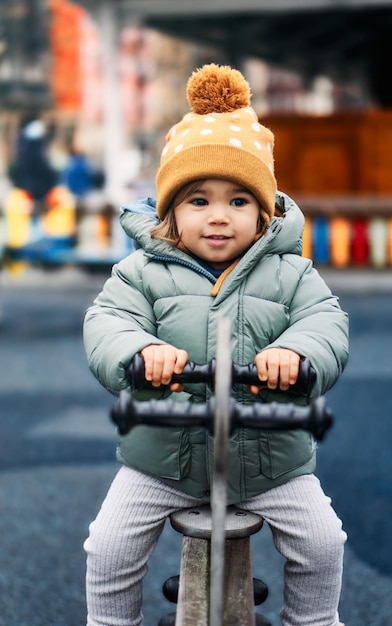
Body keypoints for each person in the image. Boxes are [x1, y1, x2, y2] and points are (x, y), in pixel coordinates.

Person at [83, 64, 349, 626]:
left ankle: (314, 621)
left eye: (238, 201)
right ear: (172, 213)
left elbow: (326, 324)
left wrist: (297, 357)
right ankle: (111, 623)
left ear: (264, 211)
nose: (219, 217)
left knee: (323, 542)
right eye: (198, 201)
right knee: (108, 547)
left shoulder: (291, 274)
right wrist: (139, 355)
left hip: (271, 464)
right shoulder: (142, 273)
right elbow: (107, 322)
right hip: (162, 461)